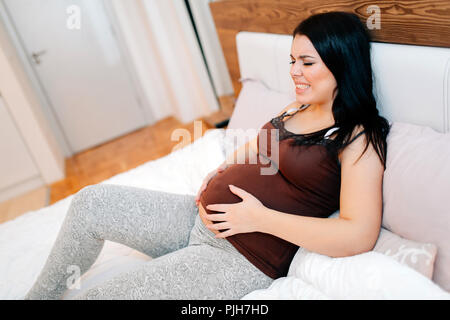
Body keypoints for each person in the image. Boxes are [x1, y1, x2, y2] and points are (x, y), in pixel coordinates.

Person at [25, 11, 390, 300]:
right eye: (292, 60)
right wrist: (220, 172)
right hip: (198, 219)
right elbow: (259, 146)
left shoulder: (358, 135)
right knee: (93, 202)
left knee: (100, 298)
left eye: (307, 62)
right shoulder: (299, 106)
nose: (294, 71)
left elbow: (357, 235)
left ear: (341, 63)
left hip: (240, 256)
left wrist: (259, 218)